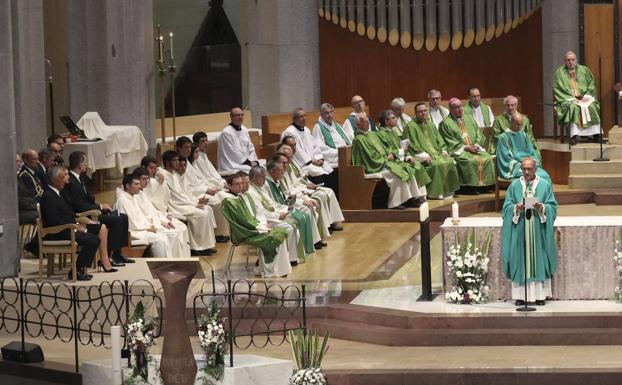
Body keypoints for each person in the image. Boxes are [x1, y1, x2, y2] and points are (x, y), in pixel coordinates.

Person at [40, 166, 114, 280]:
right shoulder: (48, 196)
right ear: (54, 180)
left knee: (97, 229)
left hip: (68, 227)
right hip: (58, 232)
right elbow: (53, 220)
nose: (67, 179)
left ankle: (85, 267)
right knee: (92, 240)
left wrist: (83, 221)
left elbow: (68, 213)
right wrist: (75, 226)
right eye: (63, 176)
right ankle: (76, 271)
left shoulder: (59, 193)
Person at [502, 158, 557, 306]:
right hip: (520, 230)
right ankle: (520, 296)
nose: (526, 172)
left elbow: (553, 206)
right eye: (524, 169)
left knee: (538, 260)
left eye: (529, 169)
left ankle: (540, 295)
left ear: (535, 169)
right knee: (520, 260)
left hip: (538, 231)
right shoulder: (514, 186)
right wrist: (515, 209)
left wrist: (543, 208)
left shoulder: (545, 185)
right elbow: (506, 207)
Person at [63, 151, 132, 265]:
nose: (87, 164)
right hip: (85, 215)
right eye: (85, 162)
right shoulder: (70, 181)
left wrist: (102, 206)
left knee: (123, 217)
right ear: (79, 164)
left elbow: (89, 198)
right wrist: (99, 206)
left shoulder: (82, 177)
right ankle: (110, 256)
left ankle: (118, 253)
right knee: (117, 220)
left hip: (92, 210)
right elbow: (78, 205)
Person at [351, 113, 429, 209]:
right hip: (373, 167)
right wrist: (385, 159)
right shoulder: (358, 139)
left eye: (368, 121)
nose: (368, 123)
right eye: (365, 122)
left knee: (406, 168)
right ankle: (395, 203)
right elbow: (369, 157)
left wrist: (390, 155)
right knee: (397, 174)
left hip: (383, 162)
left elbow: (384, 149)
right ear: (358, 125)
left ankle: (411, 198)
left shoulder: (372, 134)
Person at [222, 173, 291, 278]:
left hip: (253, 228)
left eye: (241, 183)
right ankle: (270, 270)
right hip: (243, 232)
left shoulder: (241, 197)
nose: (240, 186)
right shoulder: (228, 201)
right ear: (229, 185)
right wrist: (260, 228)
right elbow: (242, 221)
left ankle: (277, 269)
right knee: (272, 237)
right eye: (237, 184)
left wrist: (262, 225)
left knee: (280, 233)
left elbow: (253, 215)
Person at [115, 174, 190, 258]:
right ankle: (160, 266)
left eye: (139, 184)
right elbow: (129, 223)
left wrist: (150, 225)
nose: (139, 186)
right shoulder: (122, 200)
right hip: (133, 233)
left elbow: (141, 216)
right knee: (160, 239)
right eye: (136, 184)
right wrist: (147, 228)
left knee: (170, 235)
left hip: (141, 228)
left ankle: (174, 263)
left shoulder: (132, 197)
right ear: (128, 186)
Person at [160, 150, 217, 256]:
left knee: (207, 209)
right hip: (175, 205)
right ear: (167, 162)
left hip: (182, 202)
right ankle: (197, 248)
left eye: (178, 160)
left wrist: (196, 201)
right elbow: (175, 196)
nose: (177, 163)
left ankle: (206, 245)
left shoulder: (173, 174)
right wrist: (194, 204)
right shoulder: (165, 175)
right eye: (175, 160)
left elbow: (183, 192)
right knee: (202, 214)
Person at [278, 142, 344, 232]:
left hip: (302, 189)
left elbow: (299, 178)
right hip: (297, 194)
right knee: (319, 198)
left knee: (329, 191)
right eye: (288, 157)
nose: (290, 159)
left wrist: (307, 184)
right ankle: (323, 230)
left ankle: (332, 223)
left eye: (291, 156)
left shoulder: (291, 163)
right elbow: (291, 187)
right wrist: (304, 189)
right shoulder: (281, 169)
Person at [247, 165, 306, 264]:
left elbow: (271, 203)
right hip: (264, 220)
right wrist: (277, 216)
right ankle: (286, 259)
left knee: (293, 223)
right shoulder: (251, 192)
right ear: (256, 177)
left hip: (271, 216)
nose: (265, 180)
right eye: (263, 177)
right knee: (290, 227)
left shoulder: (259, 188)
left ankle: (291, 257)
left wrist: (282, 209)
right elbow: (260, 211)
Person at [402, 103, 460, 199]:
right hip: (421, 156)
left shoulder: (430, 124)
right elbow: (412, 146)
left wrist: (443, 150)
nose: (423, 113)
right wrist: (424, 156)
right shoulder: (410, 126)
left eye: (425, 111)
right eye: (420, 111)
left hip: (436, 153)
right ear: (415, 113)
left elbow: (439, 139)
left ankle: (448, 190)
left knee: (450, 161)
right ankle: (435, 193)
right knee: (436, 165)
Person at [176, 136, 229, 242]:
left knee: (219, 199)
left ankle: (221, 233)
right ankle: (216, 235)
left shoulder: (189, 162)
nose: (188, 150)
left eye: (189, 147)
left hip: (197, 192)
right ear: (178, 148)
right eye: (185, 147)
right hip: (192, 195)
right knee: (216, 202)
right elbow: (186, 187)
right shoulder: (179, 164)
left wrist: (210, 188)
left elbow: (199, 180)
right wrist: (204, 192)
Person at [438, 98, 495, 194]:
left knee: (488, 158)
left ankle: (486, 186)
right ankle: (470, 188)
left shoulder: (470, 118)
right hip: (460, 150)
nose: (459, 109)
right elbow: (449, 141)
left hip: (475, 148)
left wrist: (477, 144)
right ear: (450, 109)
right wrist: (465, 147)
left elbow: (479, 134)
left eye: (460, 106)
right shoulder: (445, 123)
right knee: (469, 161)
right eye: (456, 107)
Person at [265, 159, 323, 251]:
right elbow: (271, 203)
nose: (283, 171)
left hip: (287, 204)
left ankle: (310, 242)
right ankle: (301, 248)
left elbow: (287, 193)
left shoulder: (278, 178)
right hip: (279, 209)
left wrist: (303, 198)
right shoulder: (266, 184)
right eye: (281, 170)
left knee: (307, 210)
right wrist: (284, 208)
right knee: (304, 213)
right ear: (272, 171)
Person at [553, 50, 601, 145]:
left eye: (572, 60)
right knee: (573, 107)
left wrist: (586, 96)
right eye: (568, 60)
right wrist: (572, 98)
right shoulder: (560, 72)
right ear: (565, 61)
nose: (571, 62)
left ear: (576, 60)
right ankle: (573, 136)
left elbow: (591, 85)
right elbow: (558, 88)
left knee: (592, 106)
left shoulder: (584, 70)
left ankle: (596, 135)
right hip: (568, 99)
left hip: (584, 98)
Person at [281, 107, 335, 188]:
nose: (304, 118)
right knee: (319, 173)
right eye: (301, 117)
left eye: (305, 116)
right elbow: (297, 152)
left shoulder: (306, 130)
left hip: (313, 161)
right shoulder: (289, 132)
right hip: (303, 164)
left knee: (329, 170)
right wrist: (311, 161)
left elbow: (315, 145)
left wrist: (319, 158)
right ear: (294, 119)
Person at [496, 113, 550, 181]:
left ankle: (540, 192)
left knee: (545, 175)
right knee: (534, 175)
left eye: (521, 125)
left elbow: (531, 152)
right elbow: (504, 158)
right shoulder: (503, 138)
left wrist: (532, 163)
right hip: (515, 168)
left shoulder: (523, 135)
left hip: (527, 164)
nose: (520, 127)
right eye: (517, 124)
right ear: (511, 122)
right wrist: (522, 165)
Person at [218, 107, 259, 172]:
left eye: (242, 115)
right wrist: (249, 163)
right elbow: (233, 152)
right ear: (231, 117)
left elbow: (250, 147)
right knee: (252, 170)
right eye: (237, 115)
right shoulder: (226, 133)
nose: (240, 117)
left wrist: (254, 160)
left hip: (247, 162)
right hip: (232, 164)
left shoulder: (244, 129)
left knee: (261, 168)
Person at [312, 103, 350, 168]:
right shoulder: (318, 127)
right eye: (326, 113)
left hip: (343, 154)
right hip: (332, 157)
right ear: (321, 114)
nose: (329, 115)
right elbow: (320, 147)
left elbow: (347, 139)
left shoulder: (336, 125)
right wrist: (338, 152)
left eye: (331, 112)